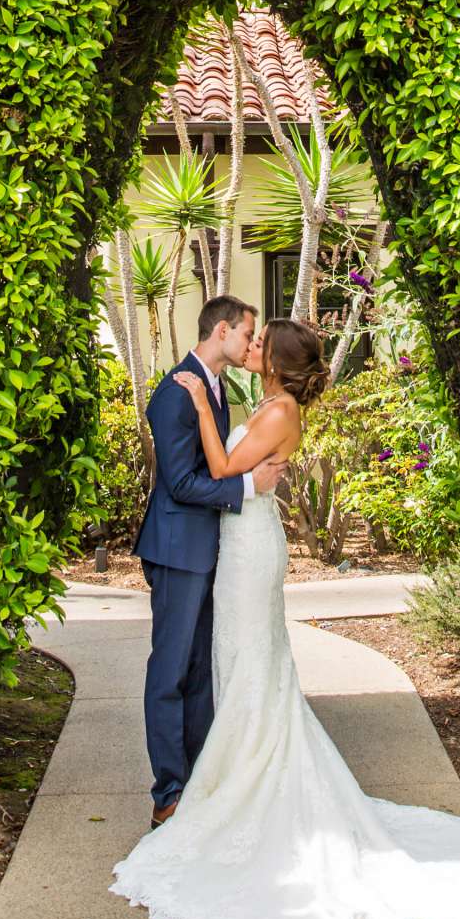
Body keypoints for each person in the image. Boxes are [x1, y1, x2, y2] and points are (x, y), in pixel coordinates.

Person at [113, 316, 460, 919]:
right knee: (242, 666)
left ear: (274, 359)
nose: (251, 347)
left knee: (250, 665)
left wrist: (197, 404)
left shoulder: (275, 412)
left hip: (249, 553)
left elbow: (219, 467)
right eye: (247, 337)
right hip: (239, 545)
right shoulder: (267, 401)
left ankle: (236, 787)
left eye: (259, 342)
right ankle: (219, 778)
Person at [133, 295, 284, 826]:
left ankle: (196, 777)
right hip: (177, 550)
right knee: (171, 671)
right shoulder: (178, 391)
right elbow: (179, 482)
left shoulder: (214, 387)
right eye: (247, 334)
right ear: (223, 331)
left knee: (199, 670)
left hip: (209, 548)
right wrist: (246, 487)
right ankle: (168, 792)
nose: (251, 345)